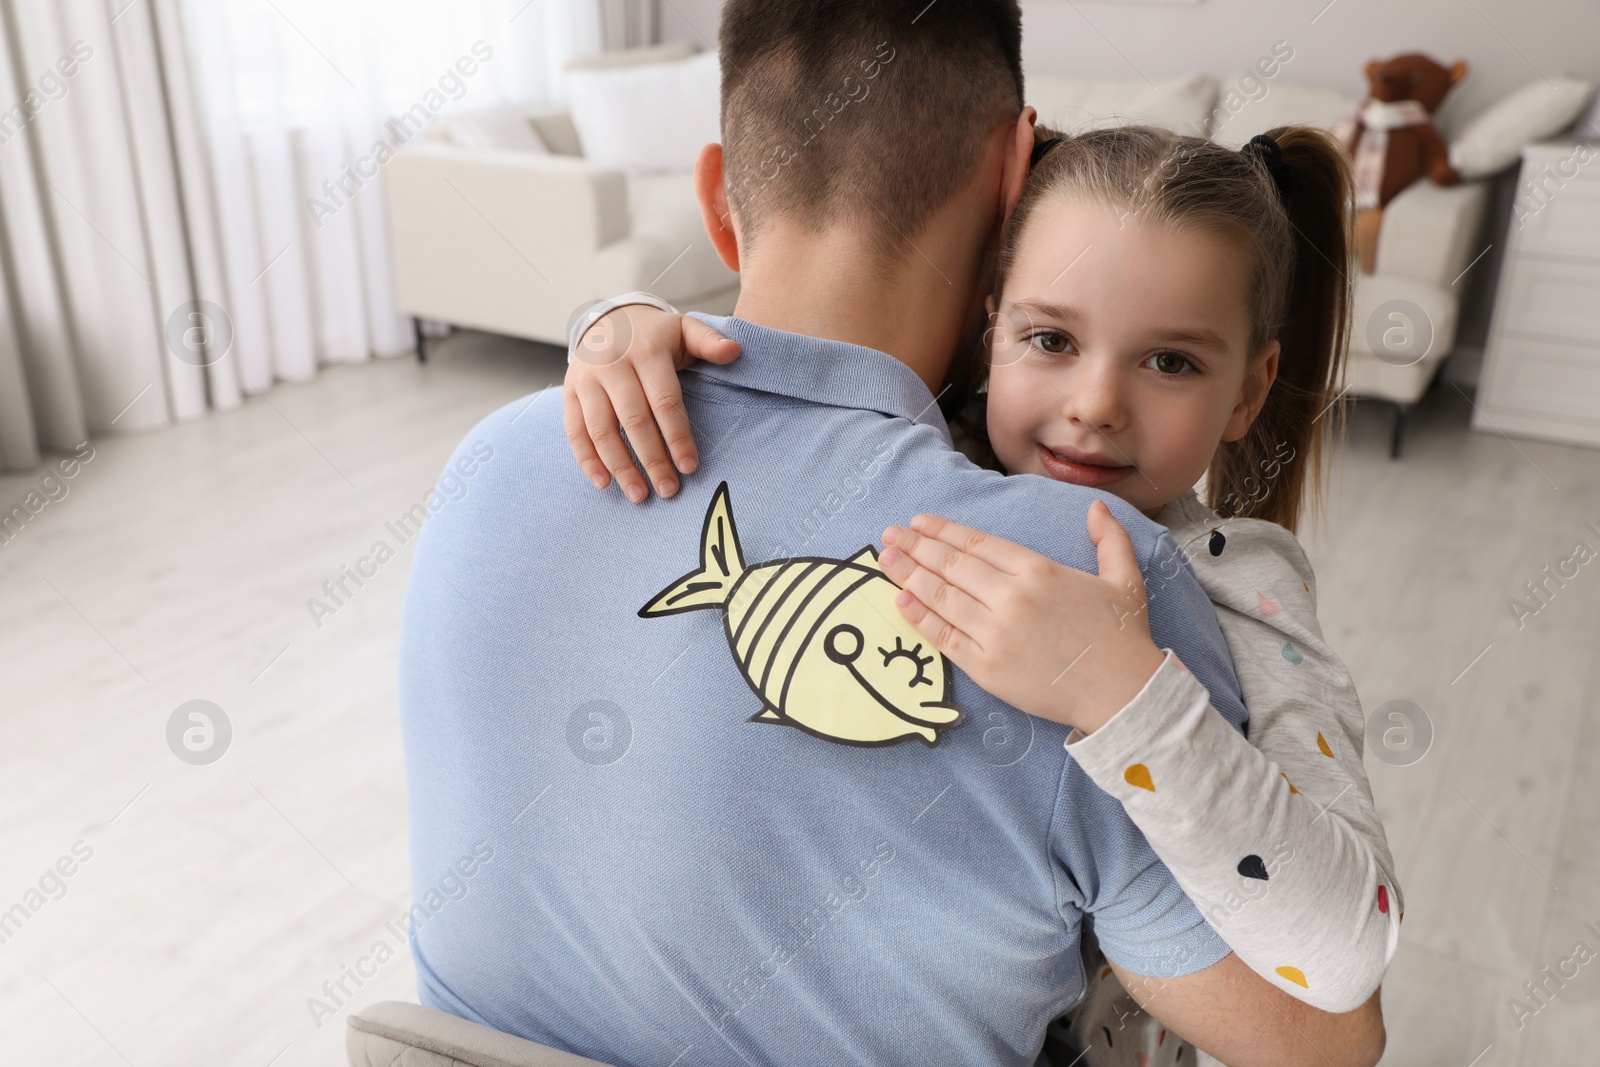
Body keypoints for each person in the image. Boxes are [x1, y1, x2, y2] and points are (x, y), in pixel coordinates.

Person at [399, 2, 1385, 1065]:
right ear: (1016, 190)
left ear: (718, 198)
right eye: (1052, 337)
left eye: (1170, 359)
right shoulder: (1097, 581)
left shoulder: (490, 460)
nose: (1093, 408)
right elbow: (1325, 1040)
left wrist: (613, 319)